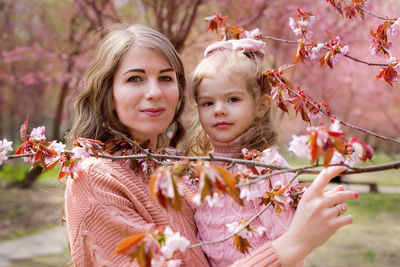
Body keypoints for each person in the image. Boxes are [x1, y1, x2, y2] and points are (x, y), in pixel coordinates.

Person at [65, 23, 357, 267]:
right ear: (108, 92)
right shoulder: (94, 180)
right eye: (135, 79)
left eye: (165, 78)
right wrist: (291, 245)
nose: (154, 92)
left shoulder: (180, 169)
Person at [183, 39, 358, 266]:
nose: (219, 110)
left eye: (233, 99)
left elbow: (288, 242)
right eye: (207, 103)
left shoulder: (266, 167)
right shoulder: (198, 171)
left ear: (260, 106)